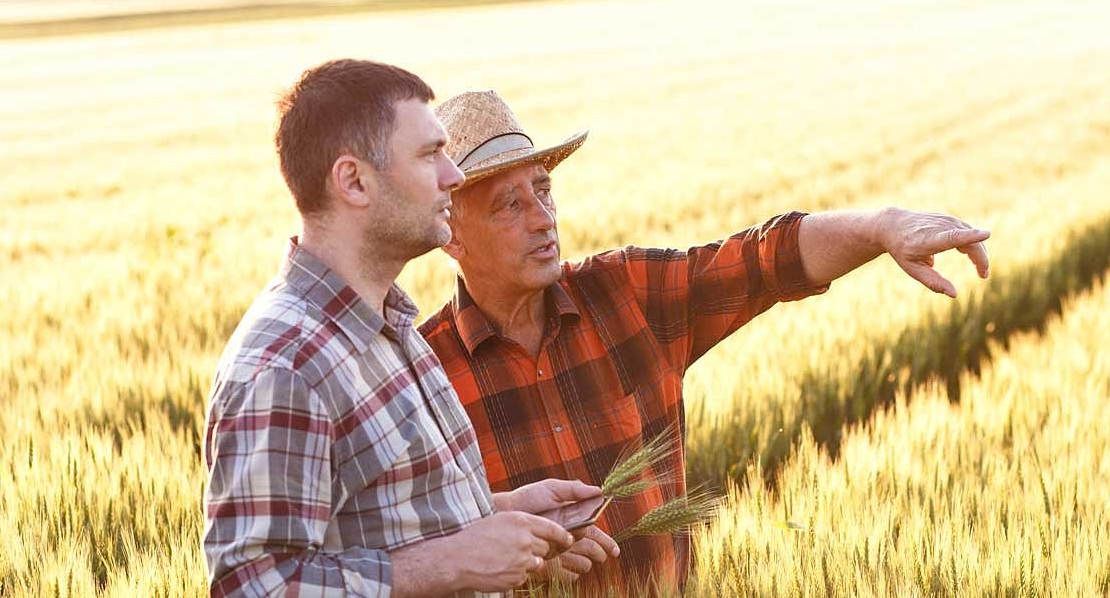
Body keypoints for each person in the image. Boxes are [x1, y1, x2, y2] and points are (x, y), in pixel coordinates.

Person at [419, 90, 992, 594]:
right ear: (450, 233)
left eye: (543, 191)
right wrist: (508, 567)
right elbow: (404, 550)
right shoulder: (420, 376)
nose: (543, 218)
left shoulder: (625, 294)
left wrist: (882, 228)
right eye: (509, 205)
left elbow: (764, 260)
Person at [201, 62, 616, 598]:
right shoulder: (286, 366)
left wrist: (500, 514)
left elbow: (385, 520)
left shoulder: (391, 326)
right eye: (429, 155)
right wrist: (449, 562)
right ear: (353, 181)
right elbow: (250, 586)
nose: (454, 175)